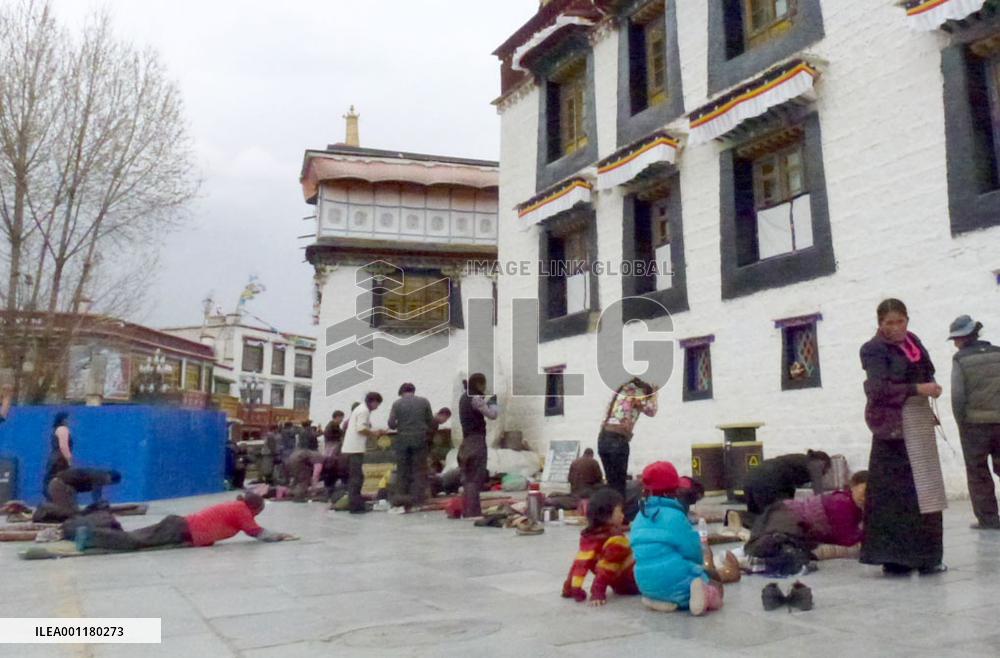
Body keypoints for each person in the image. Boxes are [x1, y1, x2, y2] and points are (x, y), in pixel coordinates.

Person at [860, 298, 947, 576]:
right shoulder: (873, 349)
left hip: (919, 423)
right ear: (880, 324)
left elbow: (926, 371)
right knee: (896, 496)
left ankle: (928, 557)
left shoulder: (914, 343)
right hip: (892, 430)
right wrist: (918, 389)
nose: (896, 328)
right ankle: (895, 559)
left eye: (900, 321)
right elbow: (877, 389)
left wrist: (932, 387)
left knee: (927, 491)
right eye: (889, 323)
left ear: (907, 320)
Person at [631, 461, 723, 616]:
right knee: (713, 587)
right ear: (675, 489)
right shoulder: (675, 516)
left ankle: (656, 600)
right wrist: (699, 568)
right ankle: (704, 595)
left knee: (660, 581)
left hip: (643, 581)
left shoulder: (640, 516)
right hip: (674, 578)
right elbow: (692, 550)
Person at [73, 493, 294, 552]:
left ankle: (93, 533)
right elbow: (256, 532)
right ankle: (89, 535)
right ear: (254, 508)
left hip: (180, 526)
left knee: (138, 537)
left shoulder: (237, 506)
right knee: (134, 541)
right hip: (181, 528)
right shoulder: (242, 510)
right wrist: (282, 535)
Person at [745, 471, 868, 564]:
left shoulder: (849, 503)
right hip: (787, 517)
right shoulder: (843, 503)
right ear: (853, 486)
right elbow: (846, 539)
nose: (866, 497)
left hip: (784, 514)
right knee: (771, 548)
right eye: (864, 491)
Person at [948, 314, 1000, 530]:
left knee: (978, 472)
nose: (955, 344)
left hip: (975, 426)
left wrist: (961, 422)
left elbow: (958, 395)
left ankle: (989, 520)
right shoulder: (998, 353)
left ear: (962, 338)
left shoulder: (960, 360)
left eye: (955, 340)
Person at [561, 487, 639, 606]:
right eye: (620, 511)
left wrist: (569, 588)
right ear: (606, 515)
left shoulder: (589, 537)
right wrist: (598, 592)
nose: (622, 515)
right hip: (632, 584)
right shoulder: (616, 539)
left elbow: (580, 563)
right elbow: (607, 567)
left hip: (620, 585)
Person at [597, 378, 658, 498]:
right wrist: (655, 394)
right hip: (617, 440)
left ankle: (610, 512)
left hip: (603, 438)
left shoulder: (620, 392)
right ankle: (619, 513)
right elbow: (652, 410)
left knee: (611, 483)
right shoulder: (637, 393)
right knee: (619, 485)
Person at [742, 450, 832, 517]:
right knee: (775, 517)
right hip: (767, 480)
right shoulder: (816, 463)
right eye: (827, 469)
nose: (824, 473)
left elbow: (789, 489)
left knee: (755, 517)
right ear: (824, 463)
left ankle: (738, 516)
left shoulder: (799, 459)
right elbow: (819, 496)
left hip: (751, 477)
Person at [387, 383, 434, 509]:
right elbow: (430, 421)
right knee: (419, 470)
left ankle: (402, 499)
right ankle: (418, 500)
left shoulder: (397, 403)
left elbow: (391, 424)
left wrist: (401, 425)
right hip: (420, 439)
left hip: (402, 439)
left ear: (402, 392)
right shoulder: (424, 402)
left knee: (402, 470)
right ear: (413, 390)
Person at [458, 373, 498, 518]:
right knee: (476, 476)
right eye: (484, 384)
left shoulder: (463, 398)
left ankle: (468, 510)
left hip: (466, 442)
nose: (485, 387)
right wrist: (493, 402)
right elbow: (492, 415)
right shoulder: (475, 398)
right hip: (476, 441)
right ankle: (473, 512)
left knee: (467, 477)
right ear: (479, 384)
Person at [340, 391, 386, 513]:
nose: (378, 407)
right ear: (373, 401)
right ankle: (355, 507)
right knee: (357, 478)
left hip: (350, 448)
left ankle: (354, 504)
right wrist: (374, 434)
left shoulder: (360, 409)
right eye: (378, 404)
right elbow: (361, 428)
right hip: (354, 449)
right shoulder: (363, 411)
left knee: (356, 477)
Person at [47, 468, 122, 513]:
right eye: (110, 483)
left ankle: (47, 512)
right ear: (109, 478)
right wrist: (100, 505)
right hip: (61, 485)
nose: (107, 485)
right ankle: (46, 513)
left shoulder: (98, 474)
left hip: (58, 483)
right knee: (69, 512)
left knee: (70, 510)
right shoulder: (101, 476)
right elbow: (96, 495)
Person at [43, 412, 73, 499]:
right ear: (63, 420)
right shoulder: (63, 429)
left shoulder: (56, 429)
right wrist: (69, 459)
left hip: (54, 458)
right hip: (60, 459)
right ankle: (55, 499)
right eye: (67, 419)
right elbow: (63, 446)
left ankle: (52, 499)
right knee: (59, 480)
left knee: (50, 480)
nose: (68, 421)